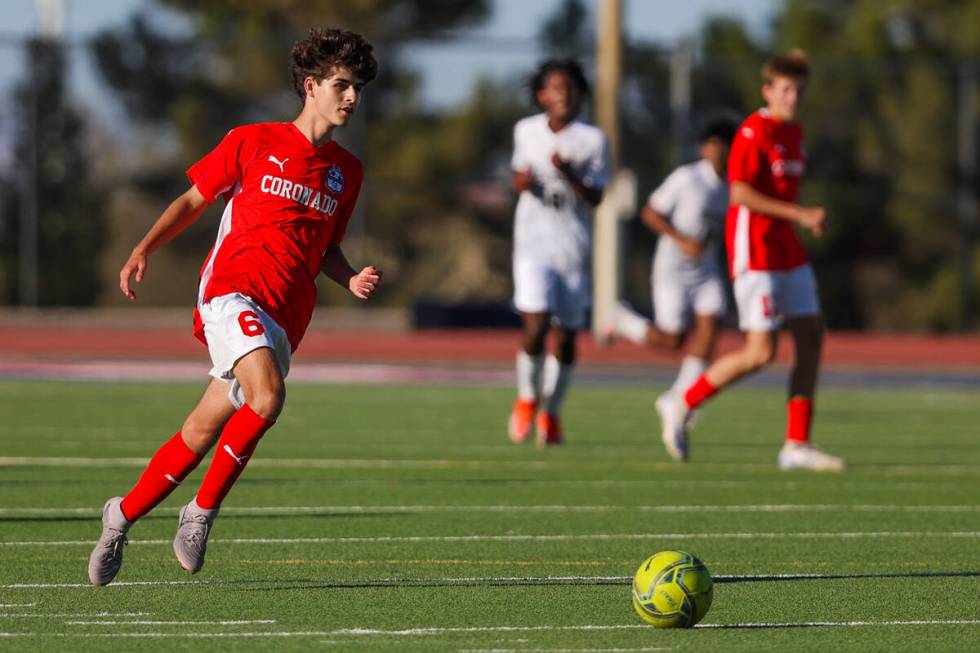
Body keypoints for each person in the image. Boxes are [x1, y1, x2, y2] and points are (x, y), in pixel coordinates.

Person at [87, 28, 382, 586]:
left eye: (358, 88)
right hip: (231, 294)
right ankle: (201, 513)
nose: (351, 98)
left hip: (285, 317)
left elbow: (326, 249)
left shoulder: (348, 172)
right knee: (269, 396)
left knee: (199, 432)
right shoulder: (253, 140)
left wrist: (351, 277)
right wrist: (143, 249)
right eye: (342, 85)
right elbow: (193, 200)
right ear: (311, 86)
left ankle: (120, 515)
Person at [659, 50, 845, 471]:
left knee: (811, 335)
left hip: (786, 250)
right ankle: (682, 402)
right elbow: (740, 193)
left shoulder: (794, 133)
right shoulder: (752, 132)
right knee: (761, 352)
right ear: (767, 91)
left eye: (798, 90)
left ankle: (796, 445)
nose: (792, 97)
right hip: (755, 251)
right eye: (784, 89)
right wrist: (801, 214)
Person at [605, 117, 737, 429]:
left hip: (706, 272)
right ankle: (625, 321)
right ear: (704, 149)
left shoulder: (732, 186)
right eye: (713, 145)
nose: (718, 152)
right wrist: (682, 241)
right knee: (672, 341)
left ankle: (679, 399)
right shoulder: (687, 178)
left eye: (725, 146)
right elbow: (650, 212)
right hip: (672, 270)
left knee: (711, 328)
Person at [507, 59, 609, 447]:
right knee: (535, 325)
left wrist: (567, 173)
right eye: (555, 88)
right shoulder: (526, 131)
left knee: (566, 337)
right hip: (532, 244)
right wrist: (523, 181)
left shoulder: (593, 140)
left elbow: (597, 196)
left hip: (572, 247)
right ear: (542, 95)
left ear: (580, 94)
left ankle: (552, 411)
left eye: (569, 88)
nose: (562, 94)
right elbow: (518, 176)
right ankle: (527, 398)